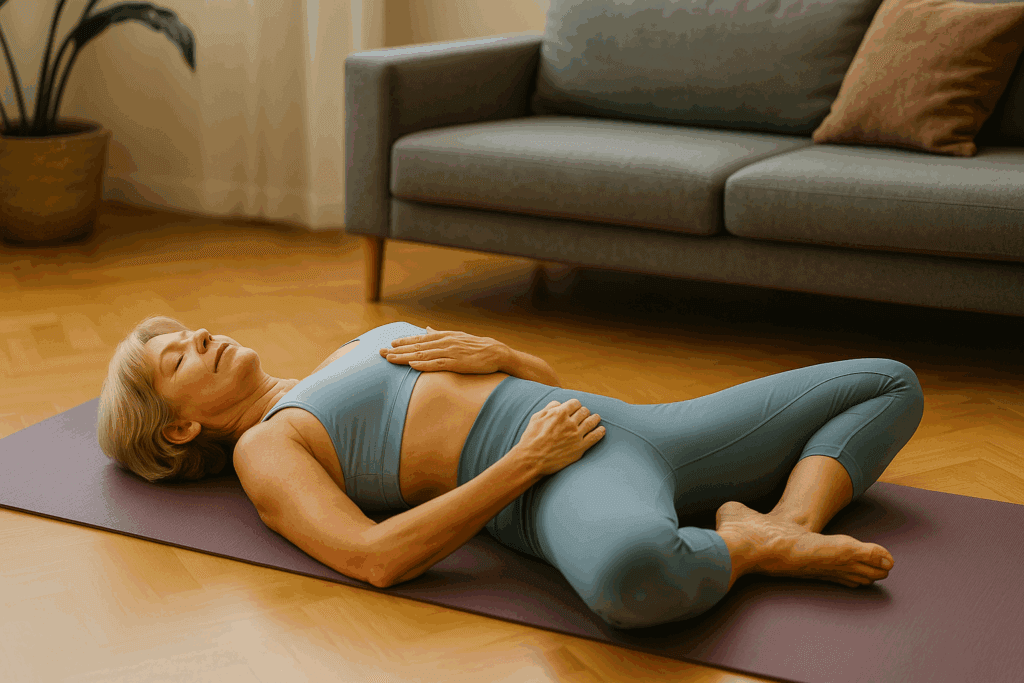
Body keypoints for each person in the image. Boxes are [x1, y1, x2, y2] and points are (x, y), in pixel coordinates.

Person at [97, 315, 924, 630]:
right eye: (179, 354)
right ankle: (740, 547)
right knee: (635, 576)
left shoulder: (341, 348)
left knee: (888, 381)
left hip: (632, 425)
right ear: (179, 423)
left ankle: (781, 525)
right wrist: (526, 461)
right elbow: (374, 555)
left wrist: (506, 354)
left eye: (192, 328)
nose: (200, 334)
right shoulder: (264, 445)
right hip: (553, 482)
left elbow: (541, 385)